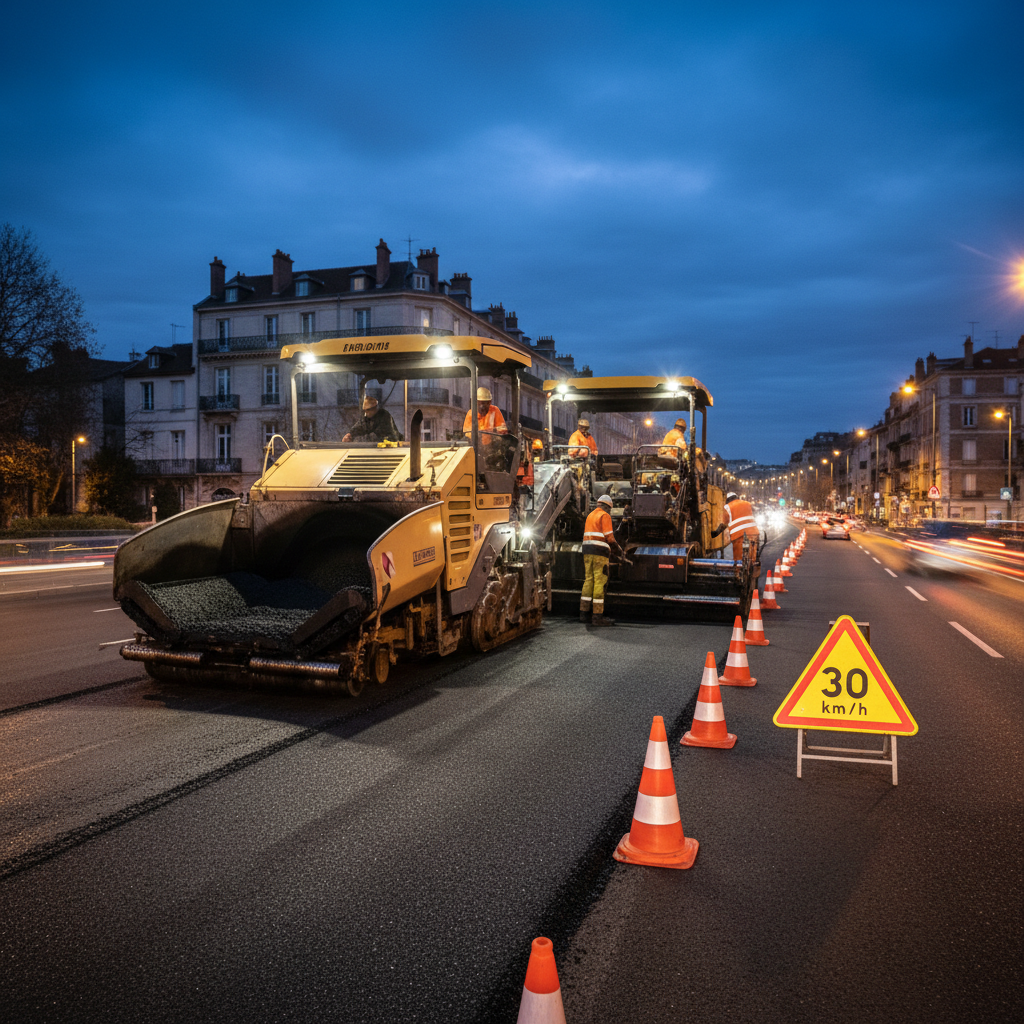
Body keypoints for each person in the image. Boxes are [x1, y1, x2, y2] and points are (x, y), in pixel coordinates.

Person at [581, 493, 622, 626]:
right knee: (600, 581)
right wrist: (618, 550)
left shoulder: (590, 515)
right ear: (608, 507)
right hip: (599, 552)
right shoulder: (605, 515)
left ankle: (584, 613)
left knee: (588, 580)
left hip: (587, 551)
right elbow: (609, 538)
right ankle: (597, 617)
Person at [712, 491, 759, 561]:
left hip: (738, 535)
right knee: (752, 558)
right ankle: (752, 568)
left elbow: (723, 524)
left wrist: (715, 533)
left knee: (739, 560)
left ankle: (739, 570)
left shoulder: (727, 507)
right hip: (754, 533)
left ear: (727, 500)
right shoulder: (747, 503)